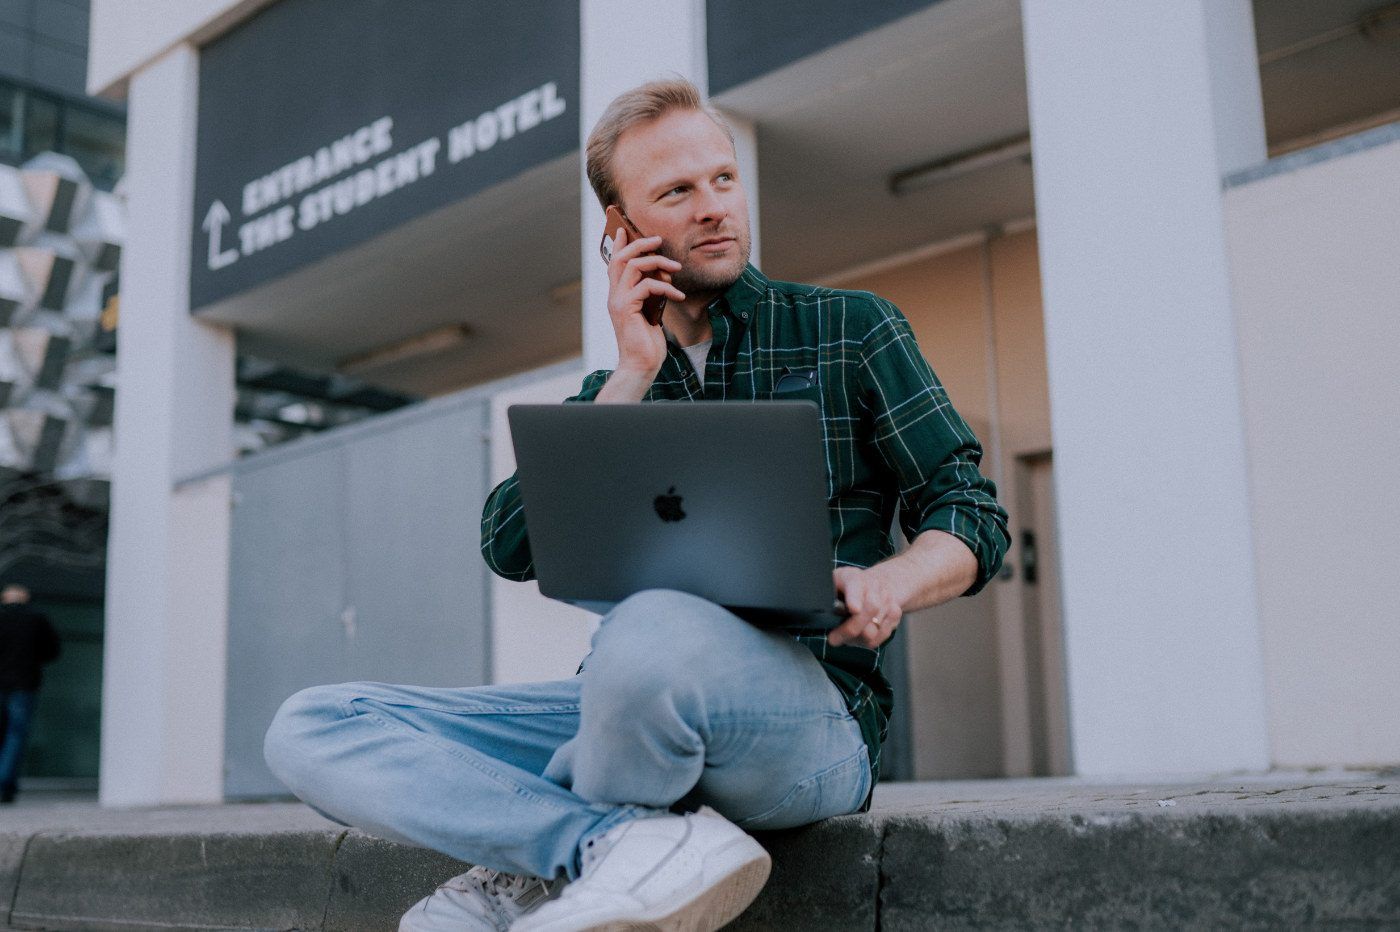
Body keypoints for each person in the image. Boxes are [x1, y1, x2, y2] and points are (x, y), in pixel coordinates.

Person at [264, 78, 1009, 932]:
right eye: (678, 192)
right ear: (620, 231)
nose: (716, 208)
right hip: (623, 703)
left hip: (812, 718)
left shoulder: (851, 328)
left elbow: (970, 513)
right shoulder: (617, 387)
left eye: (723, 179)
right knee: (311, 725)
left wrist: (891, 583)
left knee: (652, 625)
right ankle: (599, 845)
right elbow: (508, 543)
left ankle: (534, 864)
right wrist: (629, 372)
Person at [0, 584, 61, 804]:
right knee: (15, 735)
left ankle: (6, 783)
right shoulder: (36, 619)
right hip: (23, 684)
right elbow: (52, 651)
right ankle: (5, 782)